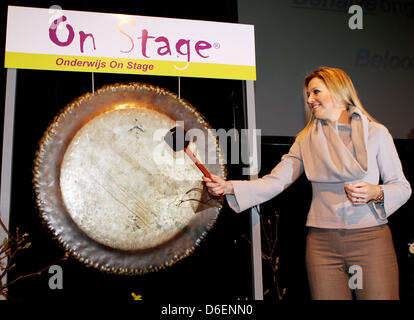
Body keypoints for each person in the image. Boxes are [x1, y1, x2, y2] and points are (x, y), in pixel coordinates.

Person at [203, 66, 412, 300]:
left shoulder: (376, 133)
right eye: (308, 95)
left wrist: (376, 192)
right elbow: (275, 181)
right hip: (322, 244)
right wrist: (230, 186)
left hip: (370, 240)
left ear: (338, 90)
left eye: (316, 92)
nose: (310, 99)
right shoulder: (305, 139)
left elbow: (402, 187)